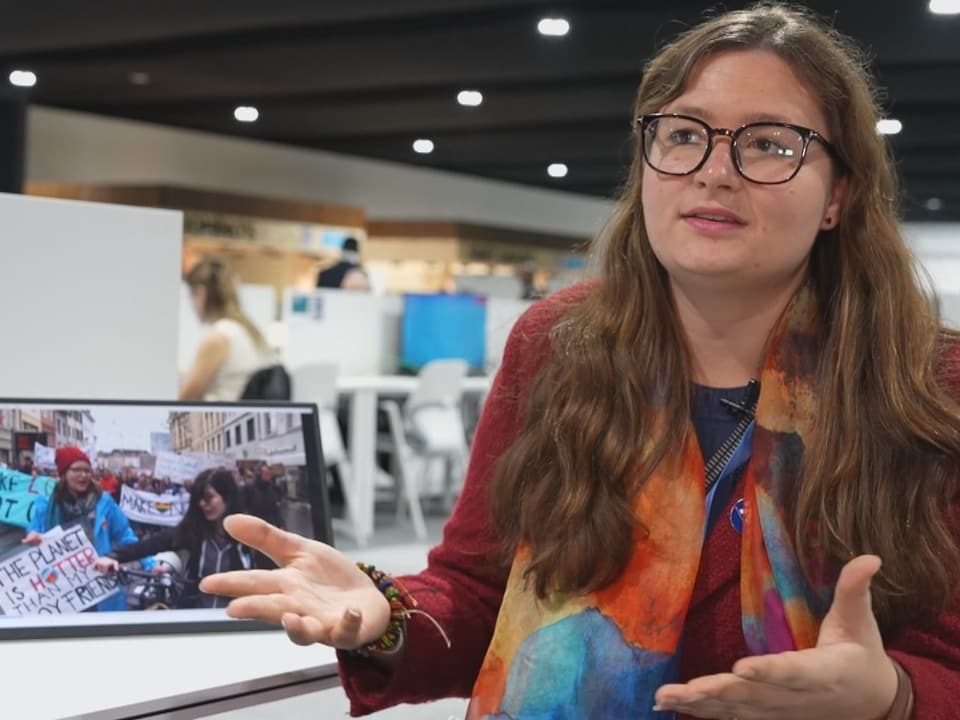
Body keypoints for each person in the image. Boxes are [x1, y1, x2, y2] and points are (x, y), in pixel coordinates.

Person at [201, 5, 960, 719]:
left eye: (768, 143)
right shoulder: (560, 345)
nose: (715, 170)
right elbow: (476, 592)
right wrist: (384, 615)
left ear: (839, 196)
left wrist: (892, 696)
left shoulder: (926, 383)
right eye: (684, 133)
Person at [95, 468, 251, 609]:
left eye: (209, 497)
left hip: (238, 618)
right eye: (199, 499)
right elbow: (152, 544)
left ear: (227, 498)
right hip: (197, 618)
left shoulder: (251, 534)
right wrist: (113, 557)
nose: (203, 504)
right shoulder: (194, 530)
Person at [23, 446, 155, 612]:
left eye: (87, 470)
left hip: (100, 585)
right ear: (63, 473)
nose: (83, 475)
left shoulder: (104, 502)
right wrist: (33, 536)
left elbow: (125, 536)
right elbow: (34, 534)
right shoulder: (45, 505)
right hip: (61, 589)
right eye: (77, 470)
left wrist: (150, 563)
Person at [180, 257, 276, 401]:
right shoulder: (248, 330)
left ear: (200, 294)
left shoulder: (218, 338)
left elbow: (185, 399)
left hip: (220, 419)